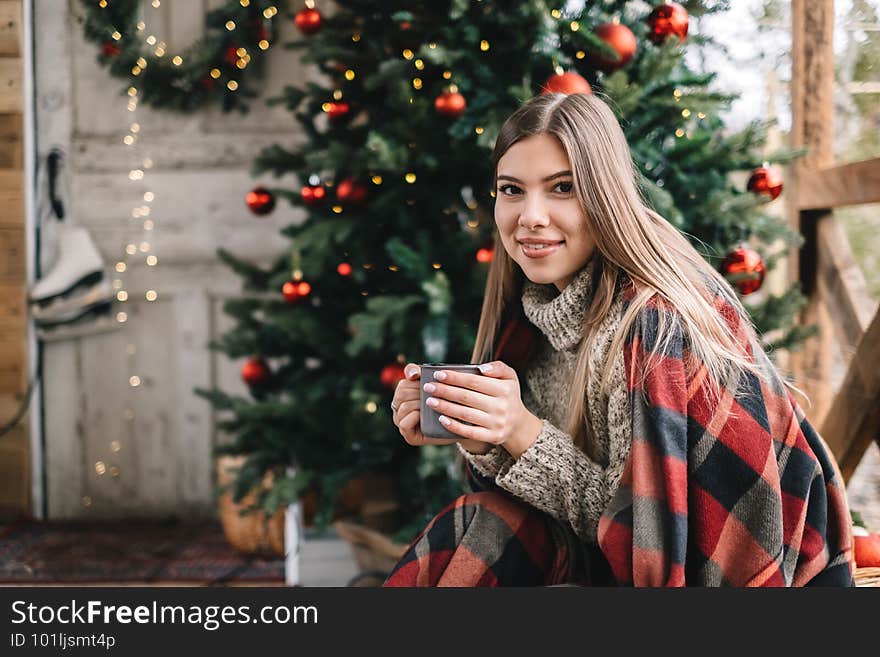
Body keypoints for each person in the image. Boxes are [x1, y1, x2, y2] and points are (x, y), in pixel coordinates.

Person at [384, 92, 855, 587]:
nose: (531, 217)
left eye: (562, 188)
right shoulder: (527, 318)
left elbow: (657, 552)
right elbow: (552, 514)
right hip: (613, 562)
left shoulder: (653, 326)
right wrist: (484, 436)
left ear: (604, 194)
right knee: (477, 525)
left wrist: (521, 433)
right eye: (511, 189)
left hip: (721, 574)